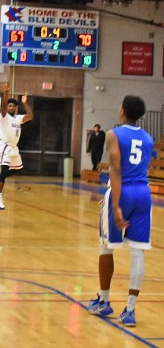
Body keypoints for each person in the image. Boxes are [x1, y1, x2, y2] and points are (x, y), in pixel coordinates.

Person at [88, 95, 154, 327]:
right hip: (143, 194)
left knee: (106, 248)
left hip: (122, 191)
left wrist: (114, 203)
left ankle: (104, 301)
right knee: (138, 253)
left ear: (122, 111)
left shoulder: (113, 134)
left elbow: (116, 169)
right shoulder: (148, 138)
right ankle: (130, 310)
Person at [0, 83, 34, 210]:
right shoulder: (3, 117)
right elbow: (3, 105)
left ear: (15, 108)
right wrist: (6, 92)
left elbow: (30, 116)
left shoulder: (18, 118)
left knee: (18, 169)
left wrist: (25, 103)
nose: (10, 107)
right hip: (4, 146)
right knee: (4, 171)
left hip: (14, 148)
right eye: (9, 105)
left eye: (13, 106)